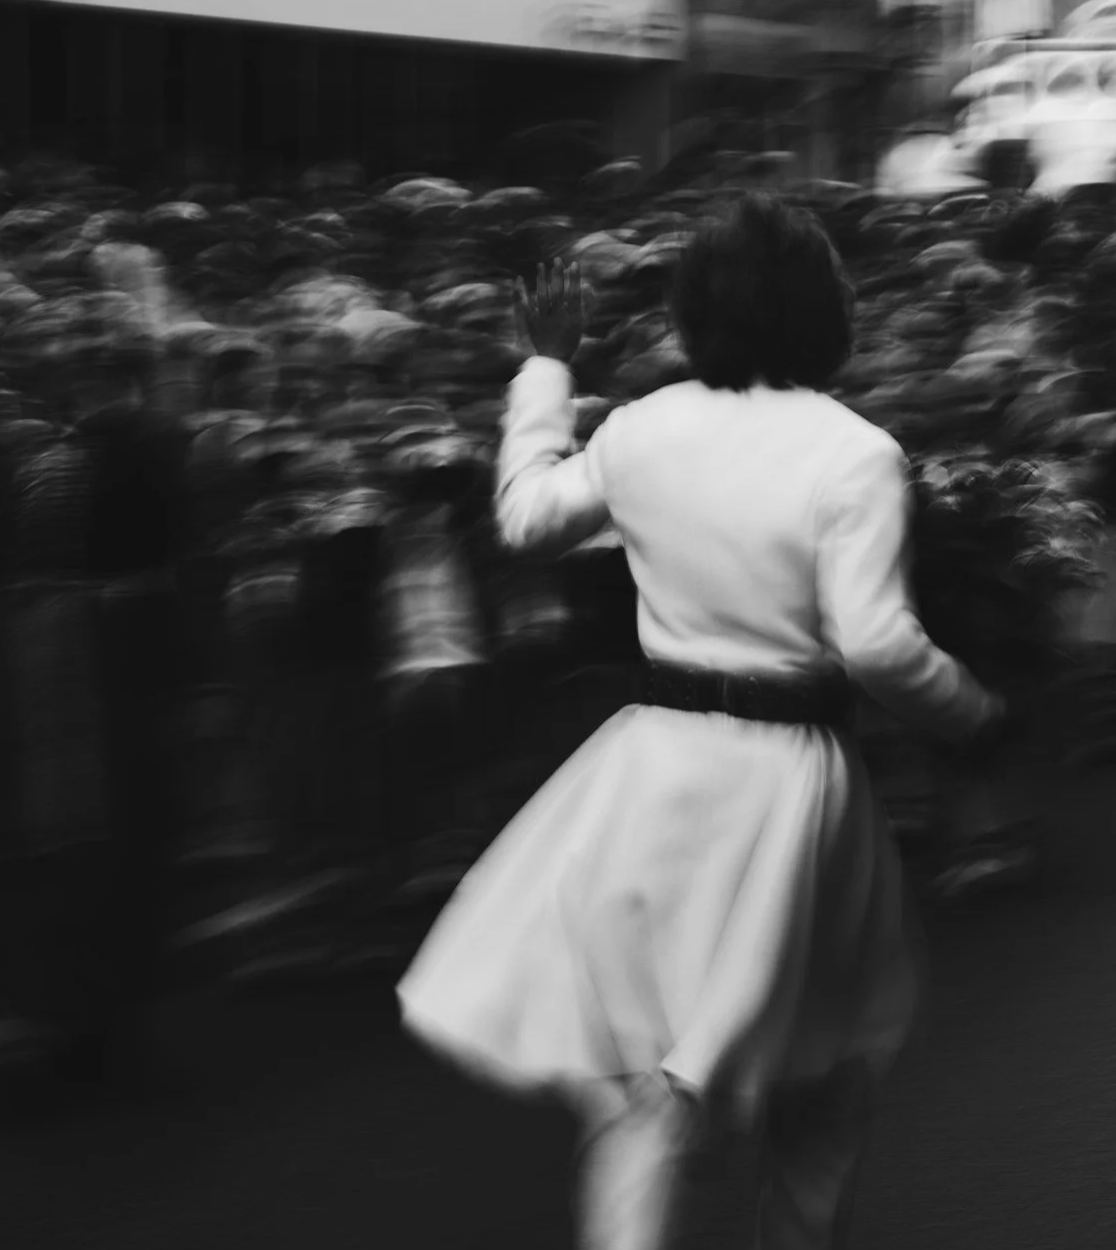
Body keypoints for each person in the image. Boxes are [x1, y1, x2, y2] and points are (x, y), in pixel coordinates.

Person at [397, 194, 1004, 1250]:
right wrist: (975, 713)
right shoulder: (855, 451)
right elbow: (874, 645)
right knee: (823, 1078)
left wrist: (545, 367)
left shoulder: (643, 427)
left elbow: (524, 518)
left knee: (648, 1082)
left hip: (656, 765)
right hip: (792, 785)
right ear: (824, 311)